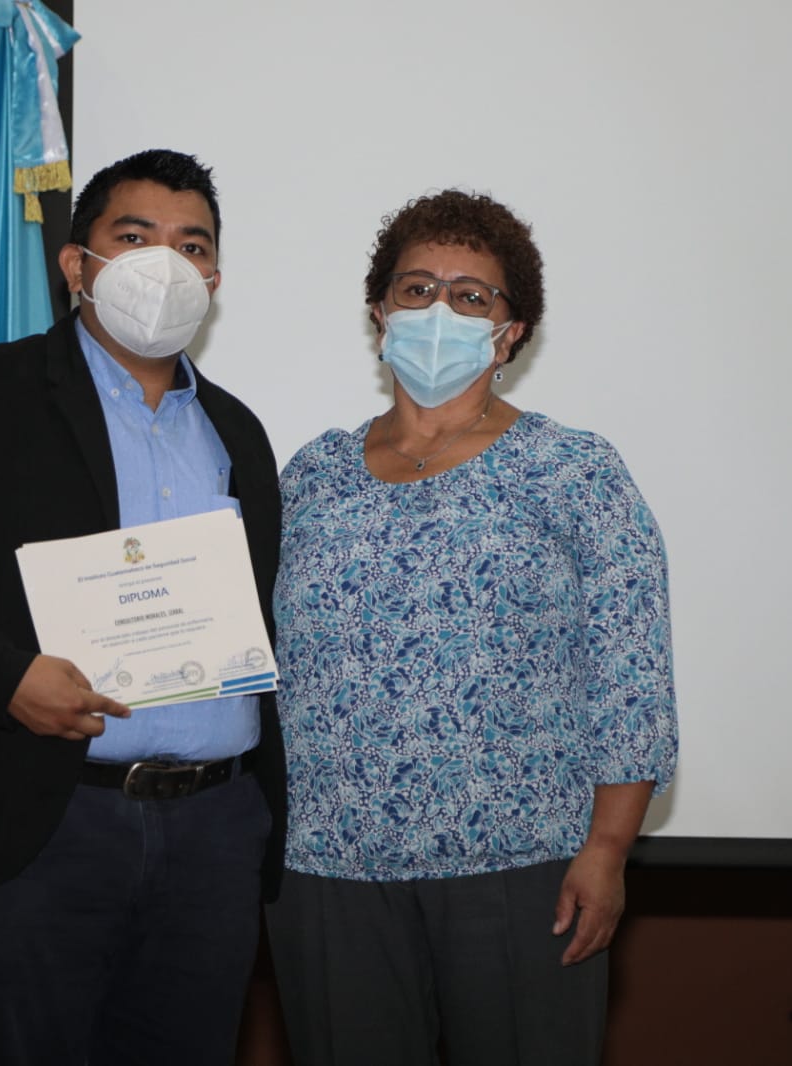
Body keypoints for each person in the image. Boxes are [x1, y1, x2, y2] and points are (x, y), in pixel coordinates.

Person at [0, 149, 283, 1065]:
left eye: (192, 246)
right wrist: (4, 678)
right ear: (77, 265)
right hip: (41, 820)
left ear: (213, 281)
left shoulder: (238, 431)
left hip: (214, 833)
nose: (166, 264)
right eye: (135, 237)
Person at [266, 190, 677, 1065]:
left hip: (522, 867)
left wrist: (609, 851)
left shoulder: (574, 472)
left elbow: (631, 677)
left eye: (470, 295)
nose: (439, 310)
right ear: (379, 313)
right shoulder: (311, 477)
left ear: (510, 331)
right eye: (416, 289)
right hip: (328, 868)